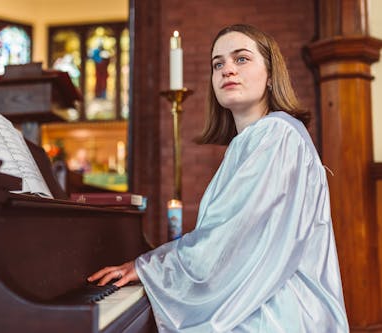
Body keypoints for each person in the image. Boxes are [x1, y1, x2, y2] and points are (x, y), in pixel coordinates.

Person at [88, 24, 349, 332]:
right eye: (218, 64)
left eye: (241, 59)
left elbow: (231, 239)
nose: (227, 70)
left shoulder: (276, 134)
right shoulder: (254, 140)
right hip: (259, 301)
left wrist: (150, 269)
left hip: (275, 311)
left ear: (270, 75)